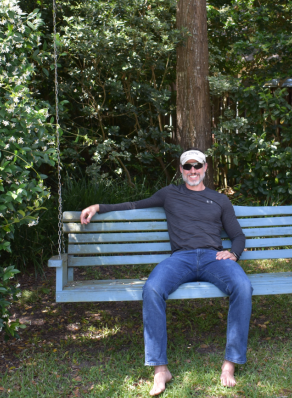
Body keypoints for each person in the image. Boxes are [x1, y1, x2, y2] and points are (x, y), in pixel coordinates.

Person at [79, 149, 252, 395]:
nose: (193, 170)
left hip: (214, 258)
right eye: (187, 166)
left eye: (197, 165)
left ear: (205, 168)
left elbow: (238, 235)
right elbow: (134, 205)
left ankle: (229, 364)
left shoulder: (220, 199)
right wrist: (98, 206)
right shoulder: (169, 193)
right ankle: (160, 370)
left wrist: (233, 253)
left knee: (243, 286)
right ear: (181, 170)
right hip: (181, 258)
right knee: (152, 288)